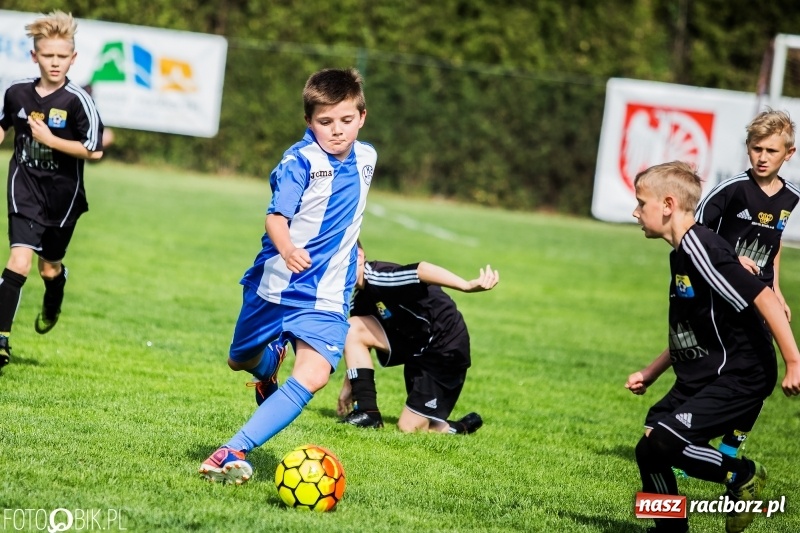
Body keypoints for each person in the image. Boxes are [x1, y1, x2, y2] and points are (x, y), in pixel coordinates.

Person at [199, 67, 376, 485]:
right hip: (276, 284)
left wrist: (358, 247)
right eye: (325, 122)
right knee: (238, 359)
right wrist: (289, 248)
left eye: (346, 121)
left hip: (327, 292)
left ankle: (232, 449)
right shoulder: (300, 162)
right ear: (308, 122)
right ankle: (268, 365)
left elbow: (349, 209)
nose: (336, 131)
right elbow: (275, 217)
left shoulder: (367, 157)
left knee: (313, 375)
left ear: (362, 116)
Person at [626, 161, 800, 533]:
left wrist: (794, 362)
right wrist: (651, 372)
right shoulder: (683, 253)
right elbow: (693, 329)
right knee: (649, 448)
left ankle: (743, 474)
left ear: (668, 204)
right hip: (706, 369)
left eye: (641, 203)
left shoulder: (702, 248)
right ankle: (671, 529)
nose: (635, 212)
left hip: (740, 373)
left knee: (666, 443)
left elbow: (765, 299)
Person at [689, 109, 798, 464]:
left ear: (789, 154)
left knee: (760, 376)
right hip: (724, 295)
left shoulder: (790, 197)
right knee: (713, 370)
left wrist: (777, 290)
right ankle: (690, 441)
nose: (762, 157)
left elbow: (774, 242)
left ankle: (731, 446)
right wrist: (732, 261)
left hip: (763, 298)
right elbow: (695, 231)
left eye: (771, 150)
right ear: (747, 148)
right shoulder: (732, 189)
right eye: (756, 149)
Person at [0, 10, 104, 369]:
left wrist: (50, 139)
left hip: (64, 197)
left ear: (72, 58)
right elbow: (4, 127)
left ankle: (54, 295)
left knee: (48, 269)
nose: (55, 62)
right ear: (35, 56)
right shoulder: (16, 93)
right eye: (48, 55)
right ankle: (1, 339)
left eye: (62, 56)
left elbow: (94, 149)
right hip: (25, 187)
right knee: (19, 259)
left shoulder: (78, 101)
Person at [336, 241, 499, 433]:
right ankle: (367, 412)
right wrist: (350, 387)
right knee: (352, 327)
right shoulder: (360, 298)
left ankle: (458, 428)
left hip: (444, 347)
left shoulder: (381, 276)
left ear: (360, 257)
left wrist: (467, 285)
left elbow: (421, 270)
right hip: (416, 343)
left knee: (408, 427)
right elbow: (359, 343)